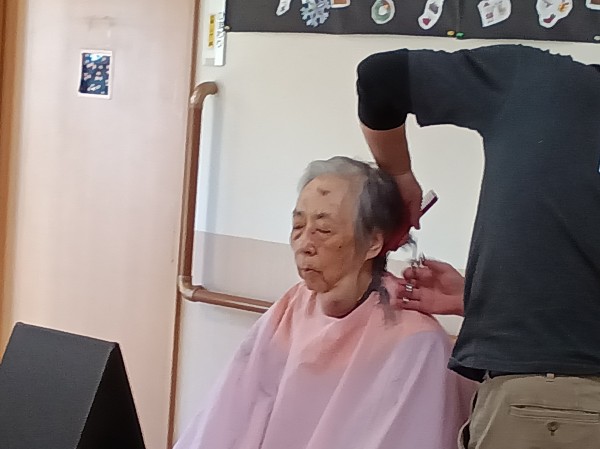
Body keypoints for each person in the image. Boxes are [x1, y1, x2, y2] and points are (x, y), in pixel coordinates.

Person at [356, 44, 600, 448]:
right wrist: (481, 302)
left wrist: (399, 175)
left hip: (553, 407)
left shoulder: (539, 81)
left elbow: (381, 77)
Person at [174, 156, 473, 449]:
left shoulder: (416, 342)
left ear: (373, 243)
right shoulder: (293, 305)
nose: (304, 245)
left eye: (323, 230)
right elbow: (231, 415)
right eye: (298, 227)